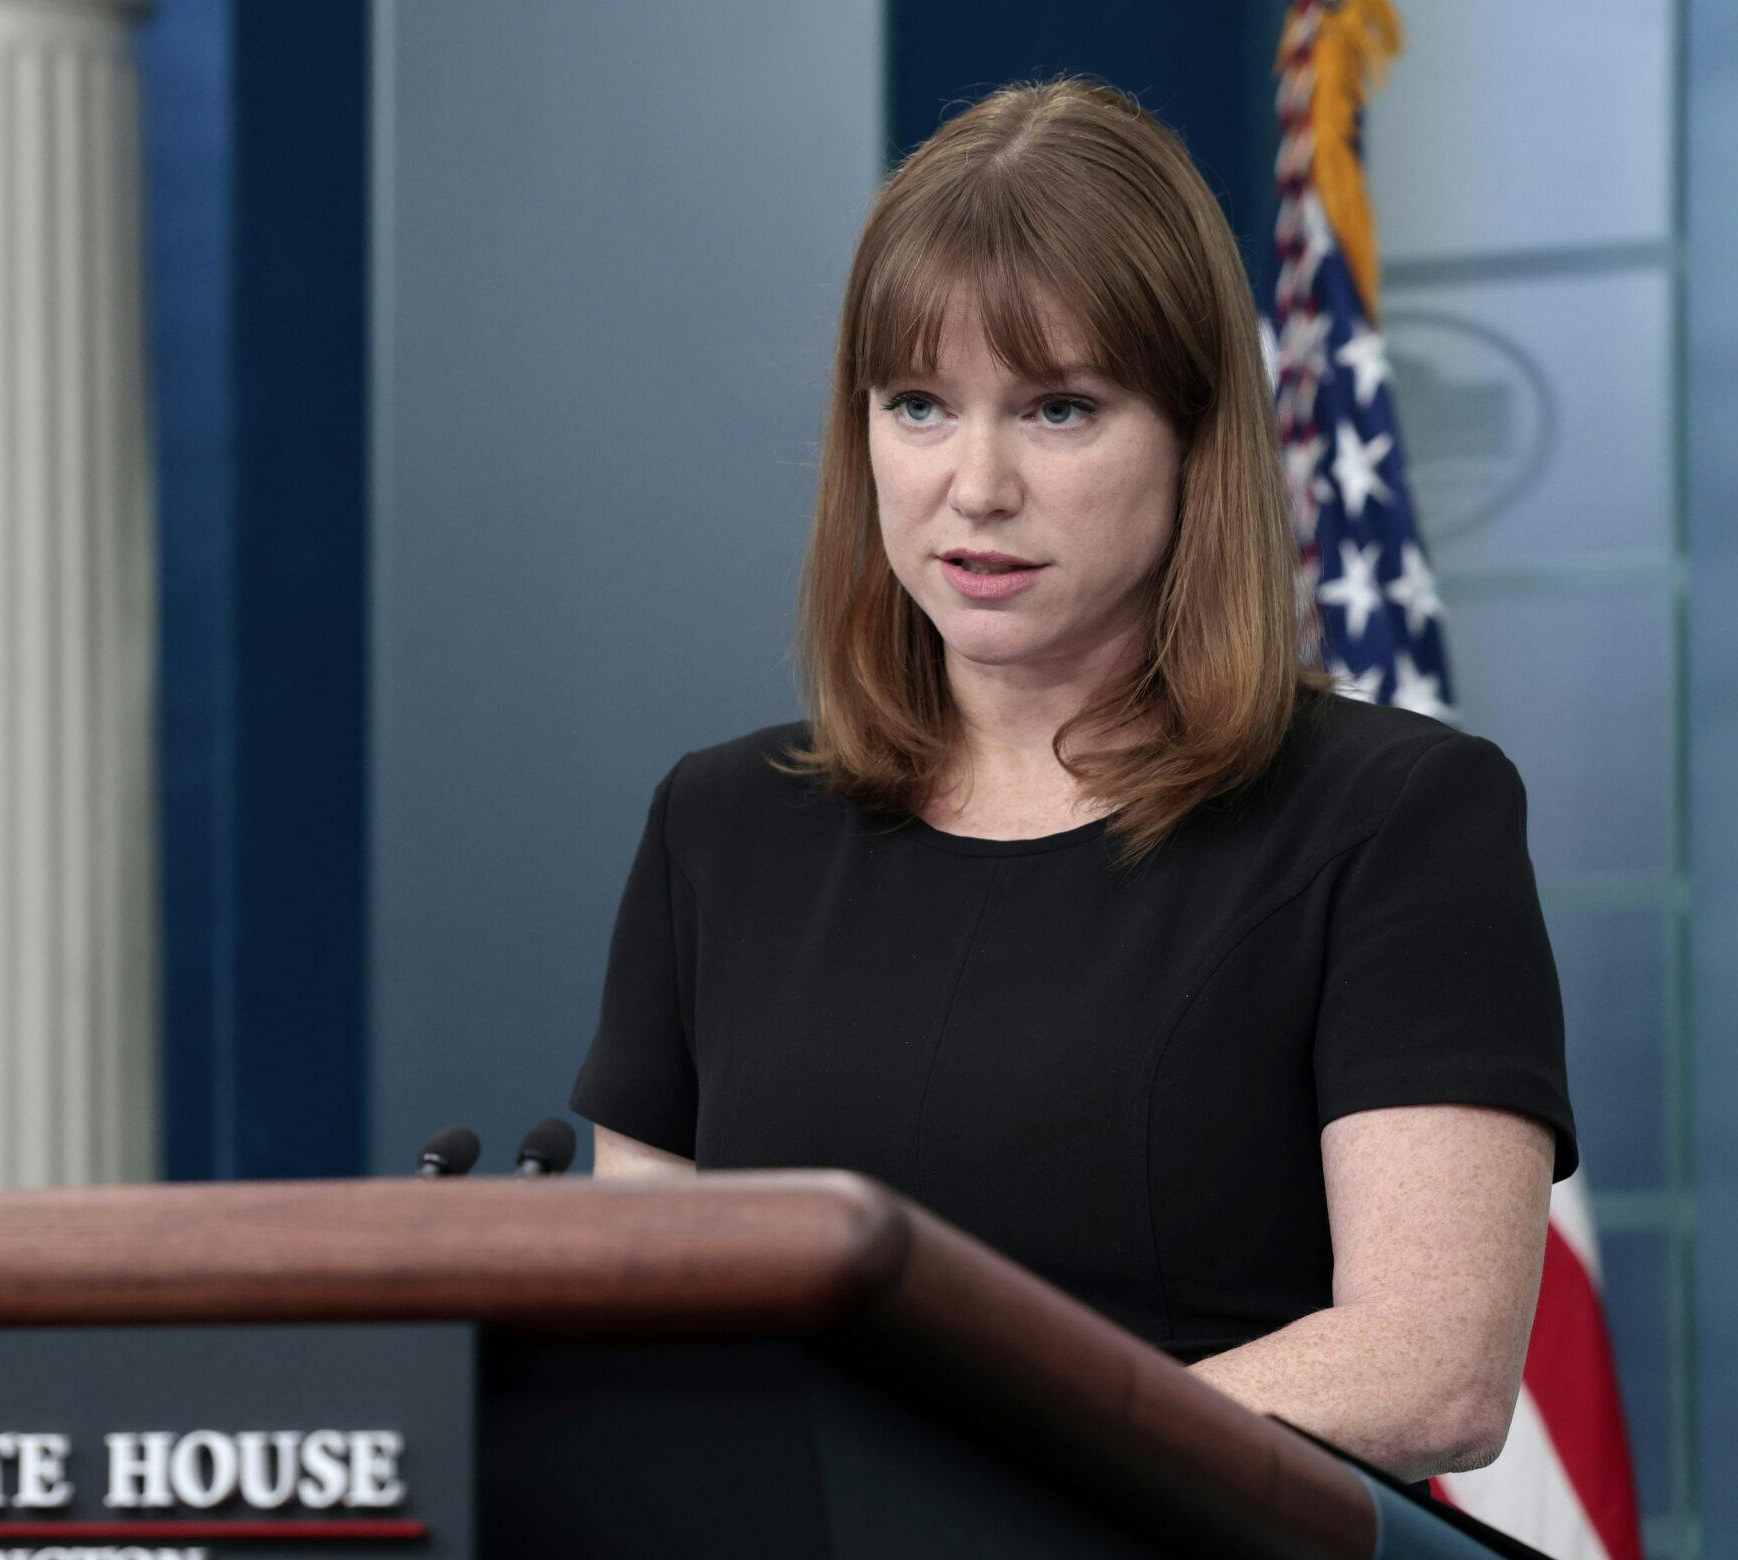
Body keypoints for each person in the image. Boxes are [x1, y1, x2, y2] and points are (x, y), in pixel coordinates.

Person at [570, 76, 1572, 1488]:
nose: (975, 485)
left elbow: (1431, 1366)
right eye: (919, 405)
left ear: (1193, 437)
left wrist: (995, 1473)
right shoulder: (718, 829)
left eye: (1057, 409)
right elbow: (642, 1340)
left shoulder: (1396, 817)